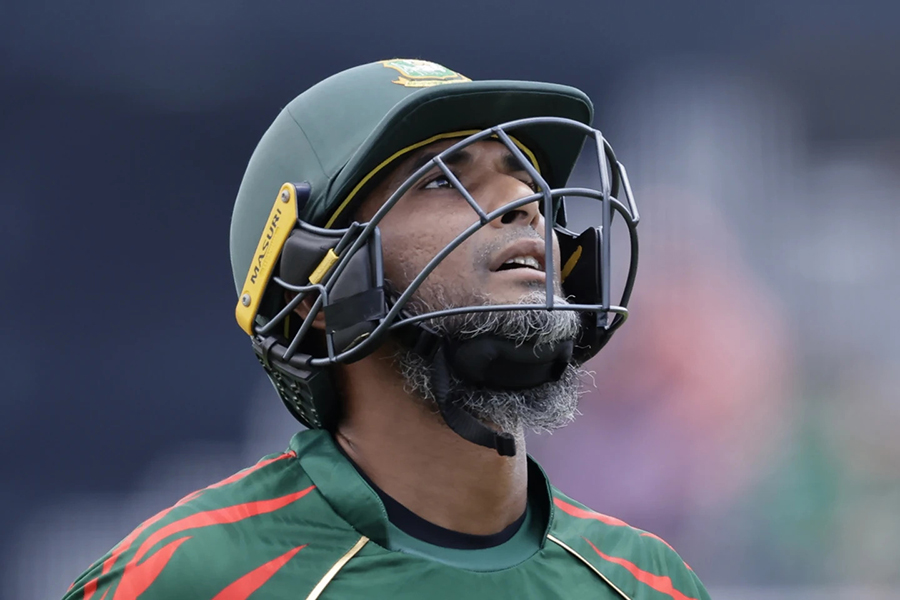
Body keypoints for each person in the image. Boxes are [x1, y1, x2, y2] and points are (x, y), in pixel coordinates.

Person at [64, 59, 710, 600]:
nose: (523, 203)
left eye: (524, 175)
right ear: (315, 289)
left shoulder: (648, 582)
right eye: (440, 180)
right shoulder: (194, 576)